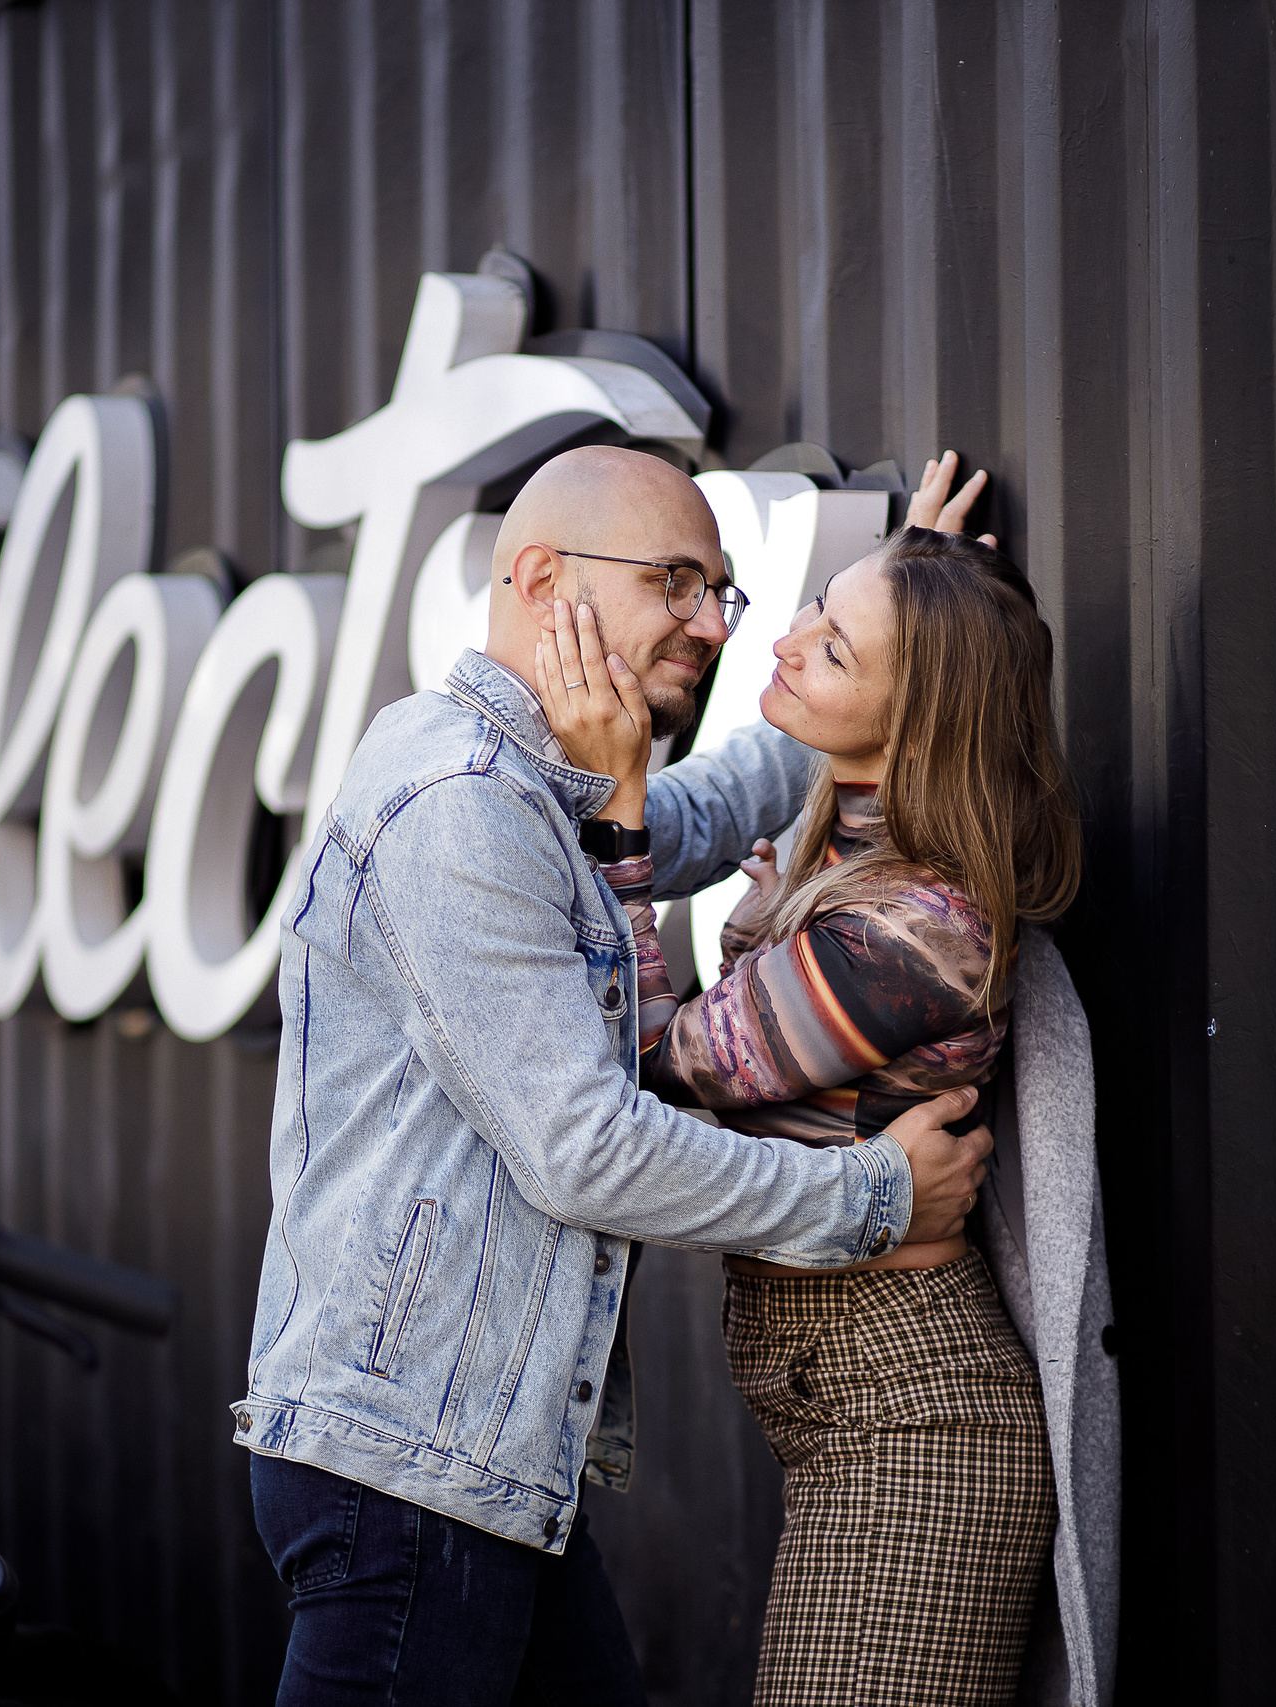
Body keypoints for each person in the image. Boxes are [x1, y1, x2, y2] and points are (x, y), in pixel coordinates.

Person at [235, 444, 996, 1707]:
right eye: (676, 583)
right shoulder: (461, 807)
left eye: (721, 593)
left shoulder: (535, 780)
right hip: (409, 1471)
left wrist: (907, 620)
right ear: (542, 578)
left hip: (471, 1461)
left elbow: (702, 806)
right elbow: (587, 1151)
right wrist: (872, 1201)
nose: (708, 624)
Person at [532, 484, 1085, 1706]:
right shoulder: (847, 840)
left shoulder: (913, 926)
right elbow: (805, 752)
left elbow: (660, 1060)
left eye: (831, 645)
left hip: (912, 1421)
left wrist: (618, 811)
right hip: (844, 1403)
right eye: (812, 611)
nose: (777, 641)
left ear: (916, 717)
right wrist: (916, 573)